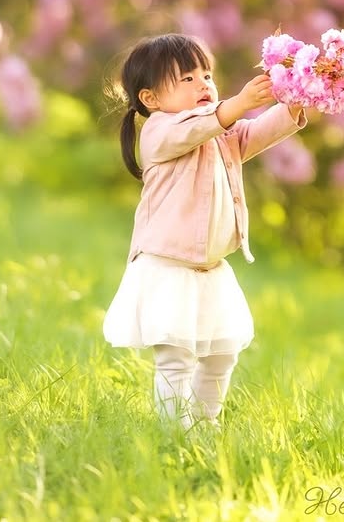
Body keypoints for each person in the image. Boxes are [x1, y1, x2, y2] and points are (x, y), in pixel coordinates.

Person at [102, 32, 308, 428]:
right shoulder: (159, 132)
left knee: (221, 355)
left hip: (210, 270)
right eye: (187, 78)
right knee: (176, 358)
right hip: (167, 268)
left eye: (207, 76)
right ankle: (173, 432)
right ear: (150, 99)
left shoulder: (220, 134)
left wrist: (298, 97)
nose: (203, 85)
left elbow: (255, 131)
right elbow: (195, 129)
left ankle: (204, 425)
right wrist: (237, 104)